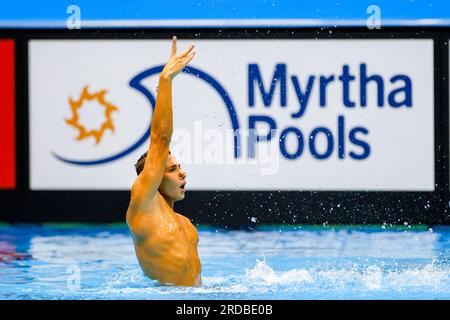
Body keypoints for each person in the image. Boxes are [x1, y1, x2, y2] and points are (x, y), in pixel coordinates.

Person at [126, 36, 201, 286]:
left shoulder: (187, 226)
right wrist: (165, 81)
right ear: (154, 178)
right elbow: (160, 138)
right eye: (171, 170)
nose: (182, 174)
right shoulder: (142, 204)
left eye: (179, 168)